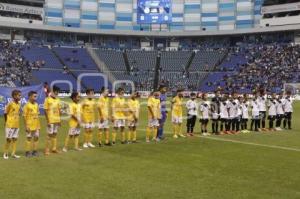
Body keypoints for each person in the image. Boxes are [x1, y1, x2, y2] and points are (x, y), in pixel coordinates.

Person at [3, 90, 22, 159]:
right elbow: (5, 113)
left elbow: (18, 112)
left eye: (20, 95)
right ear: (14, 96)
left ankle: (13, 154)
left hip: (16, 124)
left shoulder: (19, 104)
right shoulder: (10, 104)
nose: (20, 96)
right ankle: (5, 153)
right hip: (10, 124)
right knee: (9, 139)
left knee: (15, 139)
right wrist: (6, 122)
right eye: (19, 95)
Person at [44, 86, 61, 155]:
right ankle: (47, 150)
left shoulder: (58, 100)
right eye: (56, 92)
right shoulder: (47, 99)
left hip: (56, 120)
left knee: (55, 135)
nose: (57, 93)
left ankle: (54, 149)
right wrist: (48, 121)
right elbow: (45, 110)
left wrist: (59, 120)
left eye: (58, 92)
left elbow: (59, 110)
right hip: (50, 120)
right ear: (52, 91)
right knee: (49, 135)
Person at [23, 91, 41, 157]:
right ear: (30, 97)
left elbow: (37, 114)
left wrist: (38, 125)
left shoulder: (36, 104)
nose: (35, 98)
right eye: (34, 96)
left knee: (36, 138)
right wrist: (26, 126)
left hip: (36, 125)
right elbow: (24, 116)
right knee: (29, 138)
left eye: (36, 96)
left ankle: (35, 151)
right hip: (29, 125)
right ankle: (27, 152)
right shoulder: (26, 105)